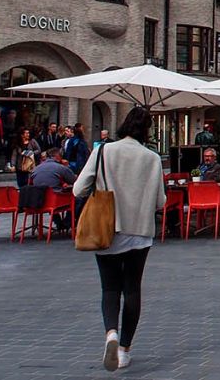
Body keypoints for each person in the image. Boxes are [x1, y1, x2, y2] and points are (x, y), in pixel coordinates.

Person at [73, 106, 166, 373]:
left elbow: (79, 189)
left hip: (108, 228)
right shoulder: (152, 158)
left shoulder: (103, 151)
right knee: (133, 289)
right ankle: (124, 350)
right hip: (140, 231)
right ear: (147, 130)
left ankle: (111, 333)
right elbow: (160, 202)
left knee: (110, 288)